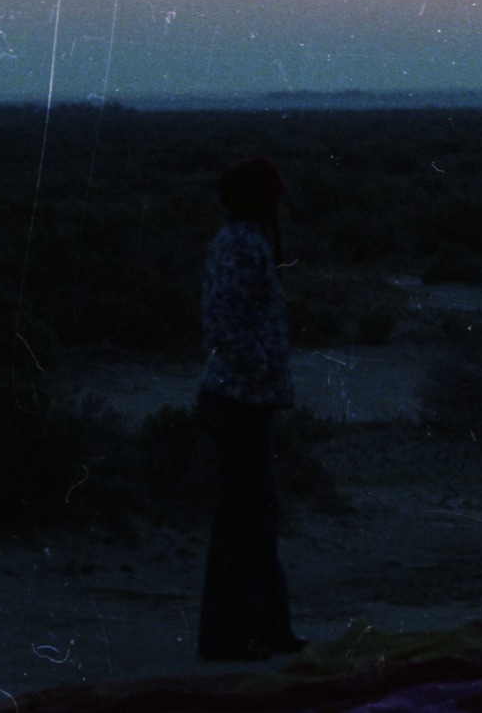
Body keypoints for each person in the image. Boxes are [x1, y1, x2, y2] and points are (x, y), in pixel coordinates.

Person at [196, 157, 306, 661]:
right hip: (240, 396)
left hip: (244, 397)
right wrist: (260, 365)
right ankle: (232, 637)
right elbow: (224, 319)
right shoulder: (243, 244)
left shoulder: (243, 241)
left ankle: (267, 628)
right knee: (243, 518)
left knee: (254, 516)